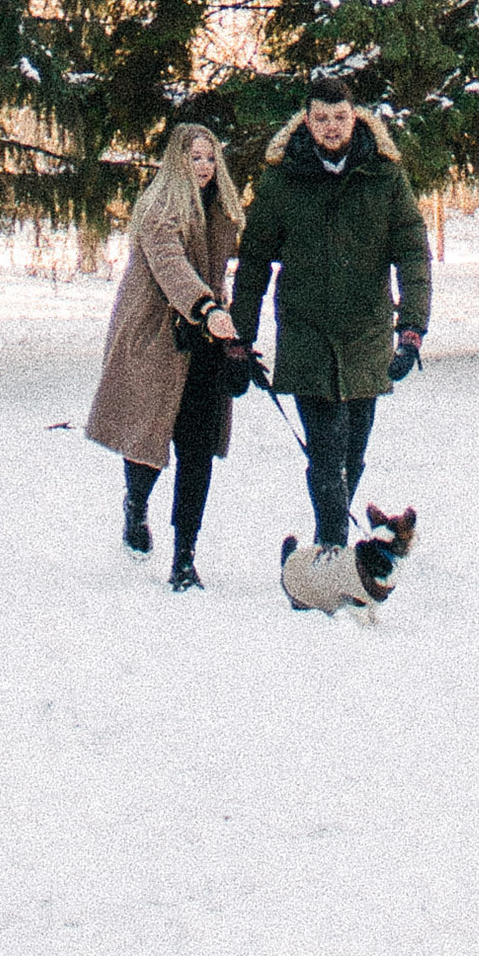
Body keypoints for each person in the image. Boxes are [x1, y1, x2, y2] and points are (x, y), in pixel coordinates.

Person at [230, 91, 431, 552]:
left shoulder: (385, 176)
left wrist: (412, 330)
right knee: (326, 451)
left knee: (353, 454)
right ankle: (330, 547)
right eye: (321, 118)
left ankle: (332, 543)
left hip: (366, 334)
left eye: (340, 117)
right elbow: (255, 262)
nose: (332, 127)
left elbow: (413, 256)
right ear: (307, 120)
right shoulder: (282, 179)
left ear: (355, 118)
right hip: (306, 334)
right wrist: (240, 340)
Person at [85, 123, 246, 591]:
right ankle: (136, 507)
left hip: (204, 343)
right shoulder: (158, 209)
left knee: (197, 448)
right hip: (156, 336)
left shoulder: (223, 210)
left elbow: (242, 257)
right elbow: (170, 264)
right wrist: (207, 307)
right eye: (194, 158)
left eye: (210, 158)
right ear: (177, 162)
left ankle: (185, 556)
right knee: (147, 441)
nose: (203, 167)